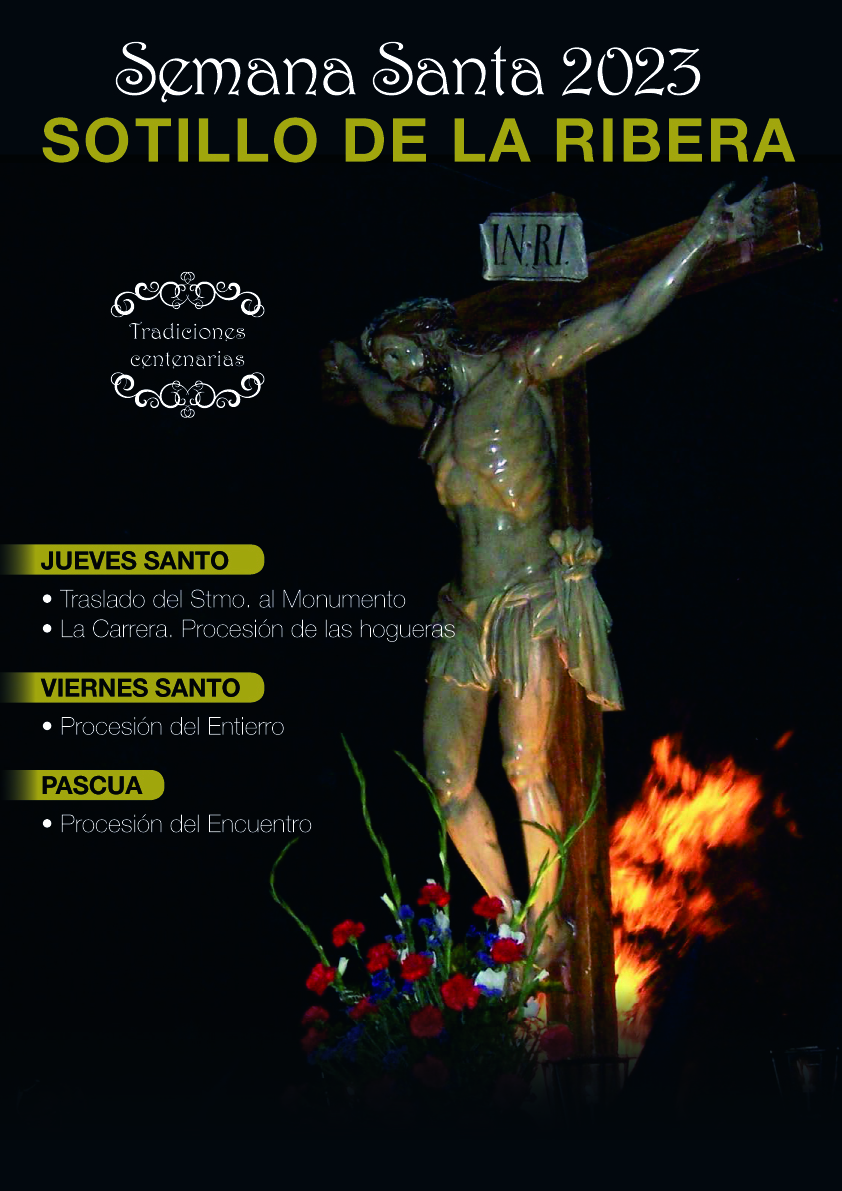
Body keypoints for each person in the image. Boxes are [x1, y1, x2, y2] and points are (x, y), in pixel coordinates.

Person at [326, 182, 766, 967]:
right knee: (447, 781)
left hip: (527, 597)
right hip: (463, 613)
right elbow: (379, 399)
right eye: (392, 365)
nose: (402, 375)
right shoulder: (429, 417)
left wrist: (703, 237)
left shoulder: (521, 370)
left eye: (400, 357)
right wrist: (355, 365)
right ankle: (510, 920)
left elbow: (623, 317)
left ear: (429, 339)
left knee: (523, 763)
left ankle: (544, 920)